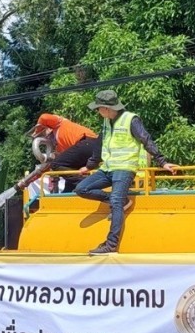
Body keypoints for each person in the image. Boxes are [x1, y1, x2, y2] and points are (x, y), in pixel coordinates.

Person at [75, 89, 178, 255]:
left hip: (124, 168)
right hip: (107, 168)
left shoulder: (131, 119)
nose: (97, 111)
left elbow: (145, 139)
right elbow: (100, 145)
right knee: (81, 189)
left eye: (98, 108)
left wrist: (162, 162)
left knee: (115, 201)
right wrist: (89, 166)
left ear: (107, 108)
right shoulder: (107, 122)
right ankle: (122, 201)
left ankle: (111, 244)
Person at [15, 113, 101, 195]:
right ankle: (68, 198)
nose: (47, 138)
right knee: (68, 181)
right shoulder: (61, 147)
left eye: (45, 134)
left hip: (88, 142)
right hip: (89, 149)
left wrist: (37, 131)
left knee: (56, 164)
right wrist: (27, 181)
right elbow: (47, 167)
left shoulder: (59, 124)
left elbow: (44, 117)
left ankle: (85, 183)